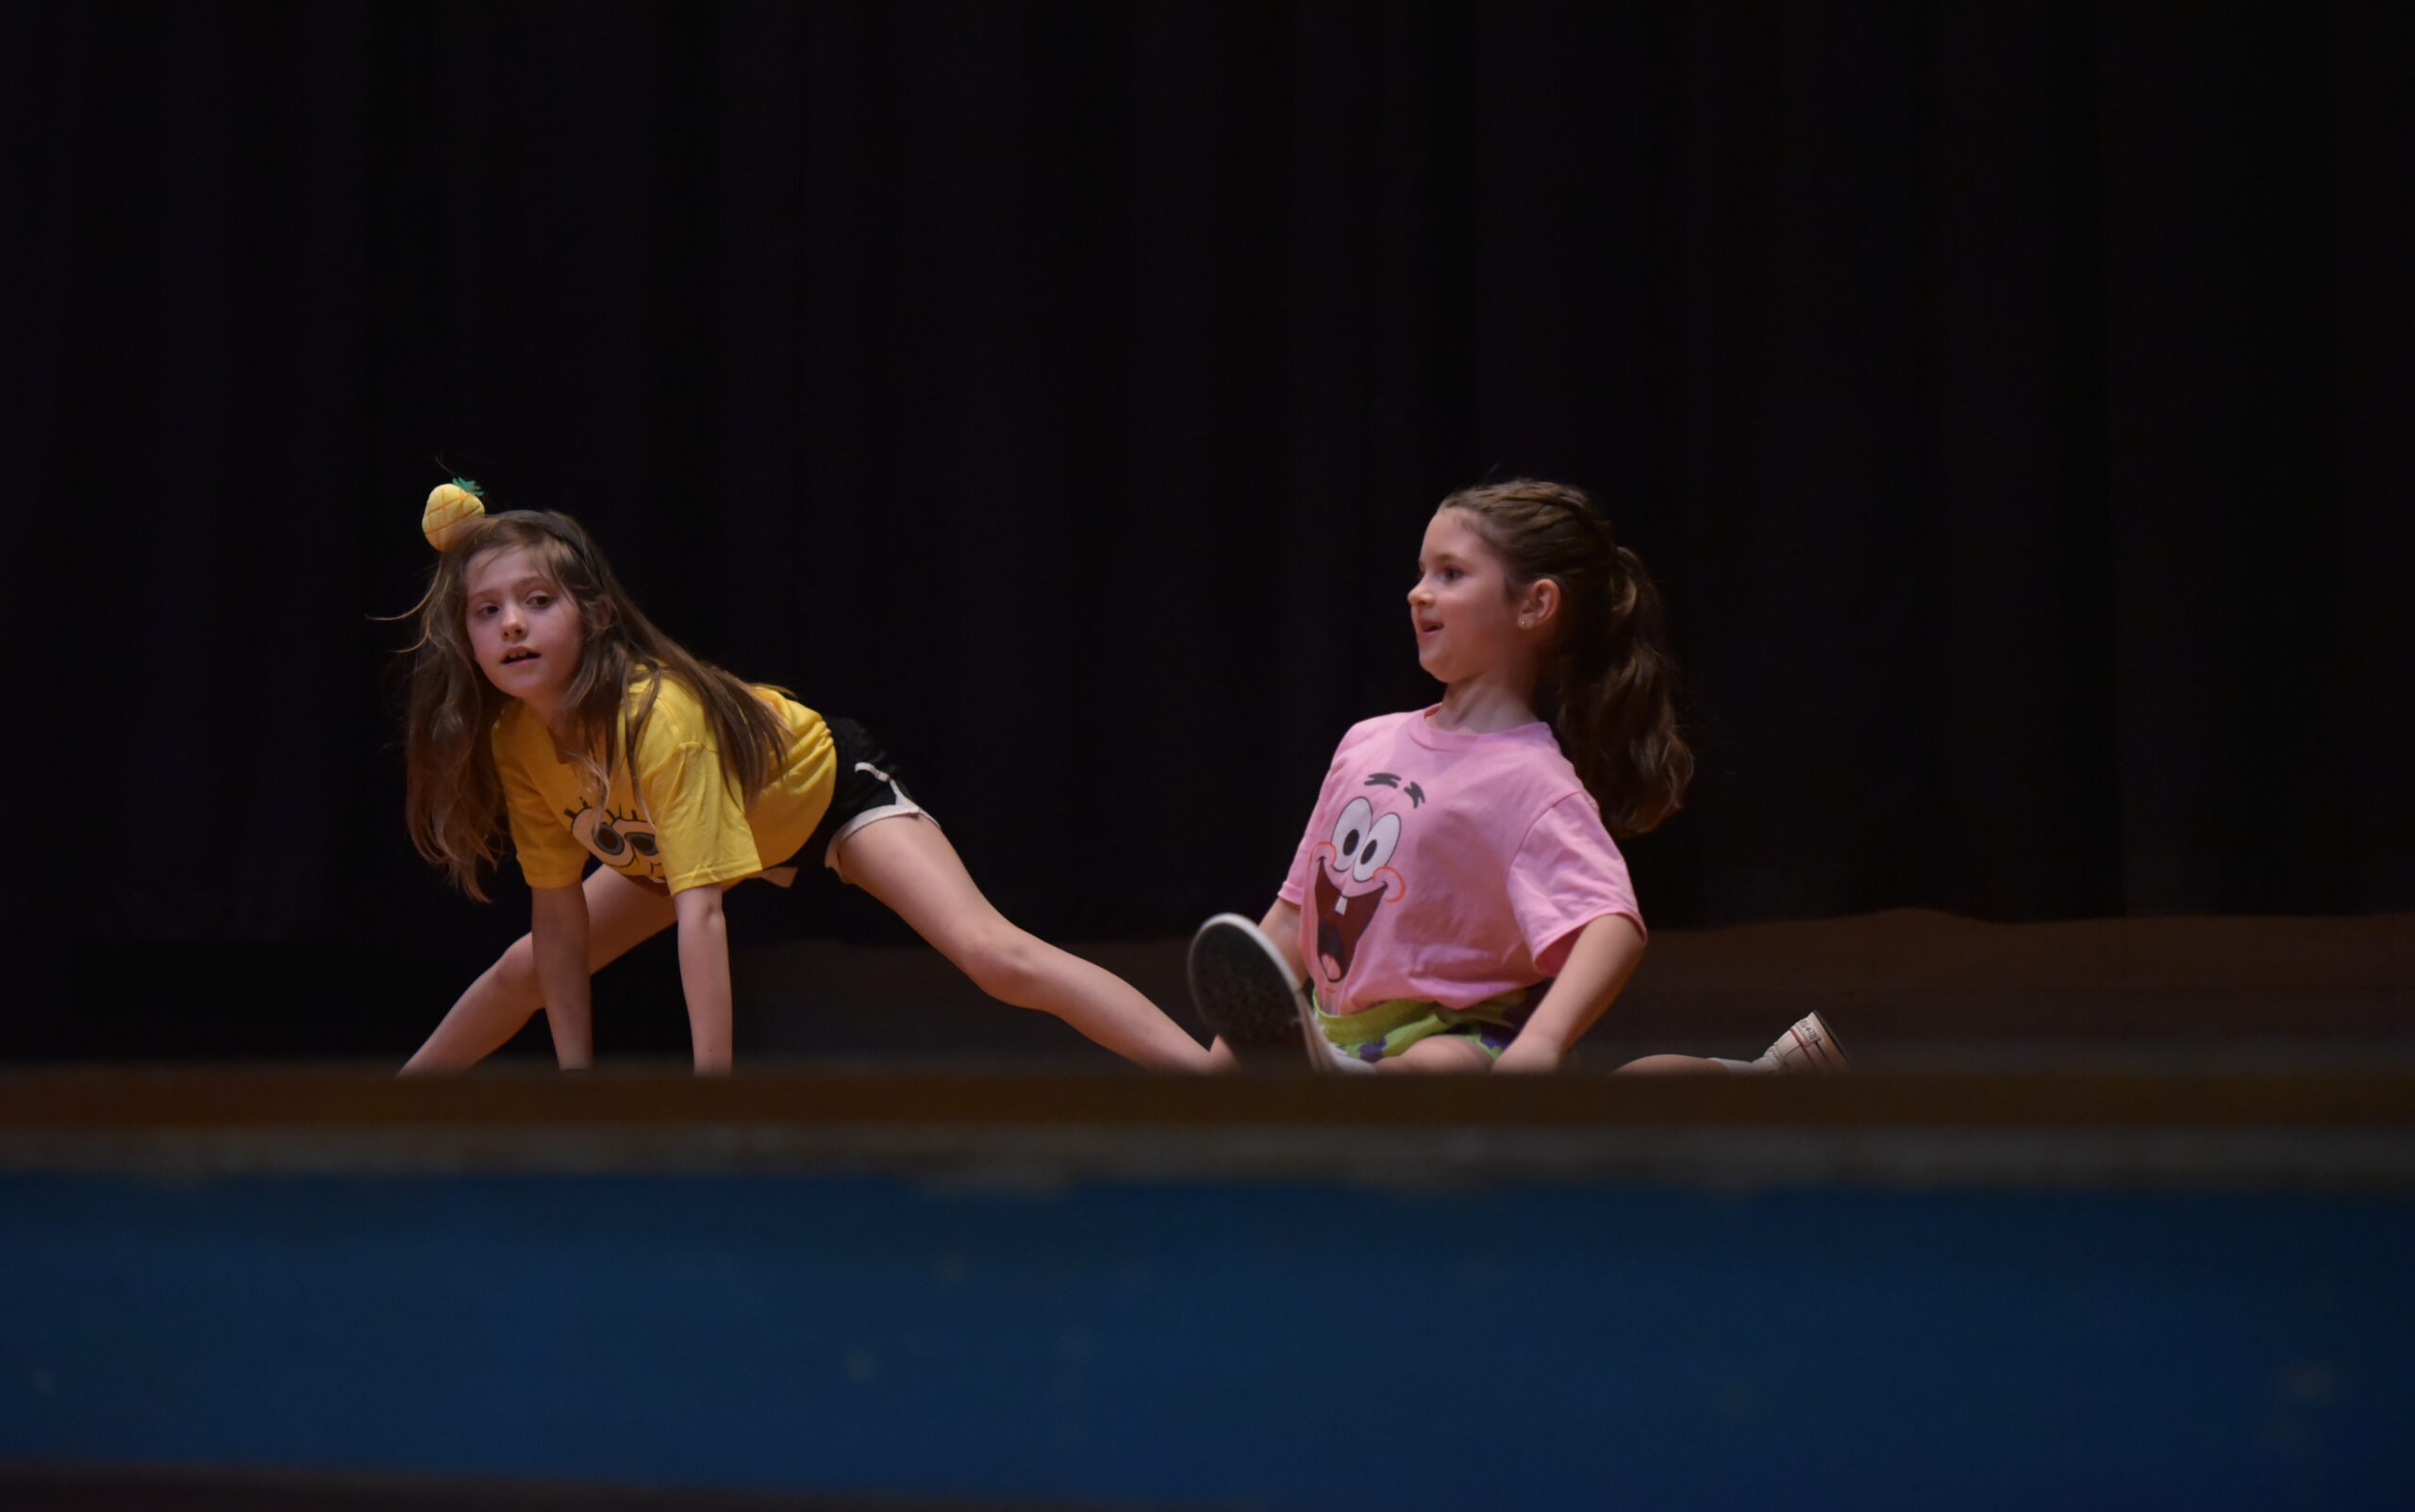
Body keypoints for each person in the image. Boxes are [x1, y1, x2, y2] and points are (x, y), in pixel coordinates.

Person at [396, 483, 1210, 1075]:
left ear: (597, 615)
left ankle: (1209, 1078)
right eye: (487, 610)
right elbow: (559, 921)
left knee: (995, 956)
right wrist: (576, 1080)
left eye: (537, 600)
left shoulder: (658, 719)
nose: (512, 623)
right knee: (522, 968)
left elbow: (702, 916)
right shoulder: (517, 741)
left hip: (824, 799)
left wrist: (711, 1105)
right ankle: (389, 1118)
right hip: (668, 844)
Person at [1187, 478, 1848, 1076]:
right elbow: (1294, 917)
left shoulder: (1533, 781)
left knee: (1437, 1067)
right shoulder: (1366, 742)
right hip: (1344, 1035)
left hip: (1467, 1043)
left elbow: (1613, 925)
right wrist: (1230, 1053)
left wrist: (1543, 1044)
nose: (1418, 592)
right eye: (1421, 572)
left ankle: (1762, 1083)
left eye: (1450, 573)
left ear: (1535, 604)